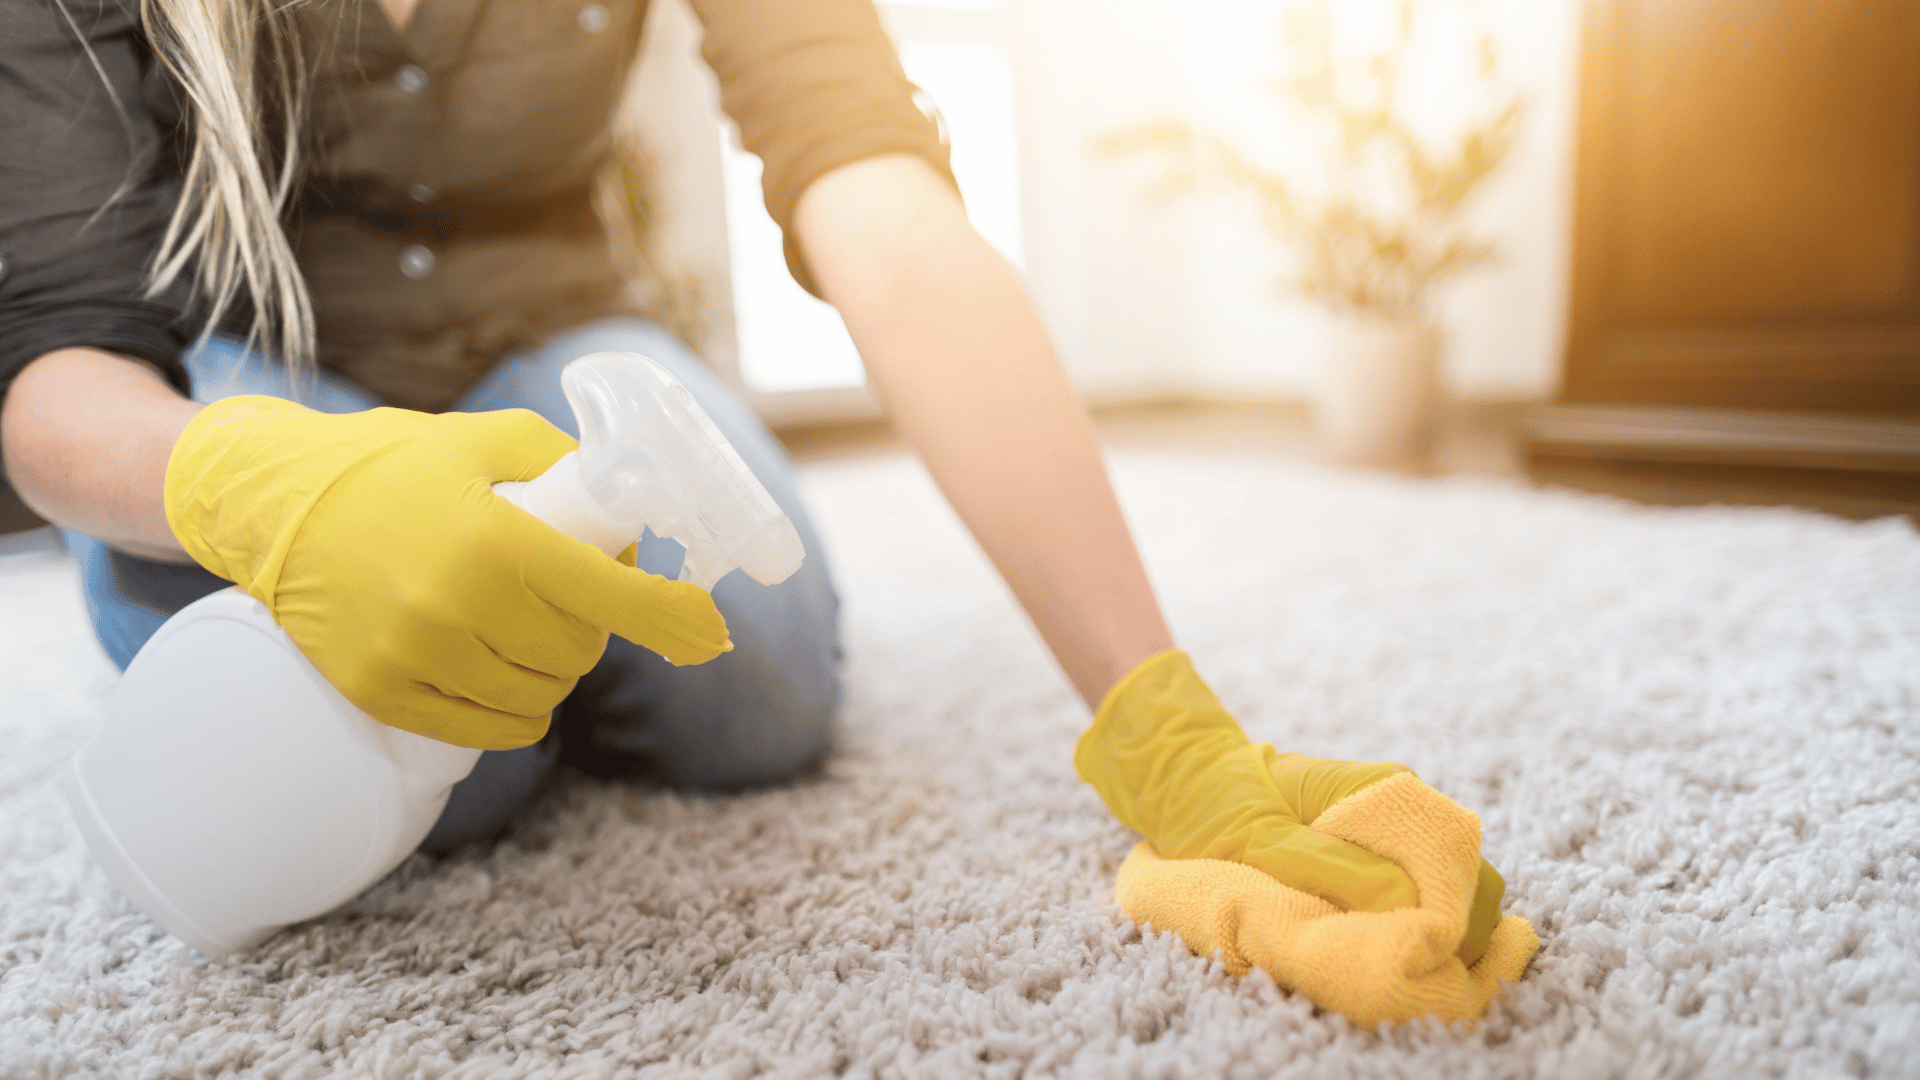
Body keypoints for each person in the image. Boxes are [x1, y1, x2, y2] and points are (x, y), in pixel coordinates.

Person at [0, 0, 1503, 961]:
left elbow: (891, 223)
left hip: (550, 326)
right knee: (448, 774)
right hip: (269, 358)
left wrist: (1168, 722)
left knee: (753, 692)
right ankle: (226, 566)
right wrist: (259, 485)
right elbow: (55, 363)